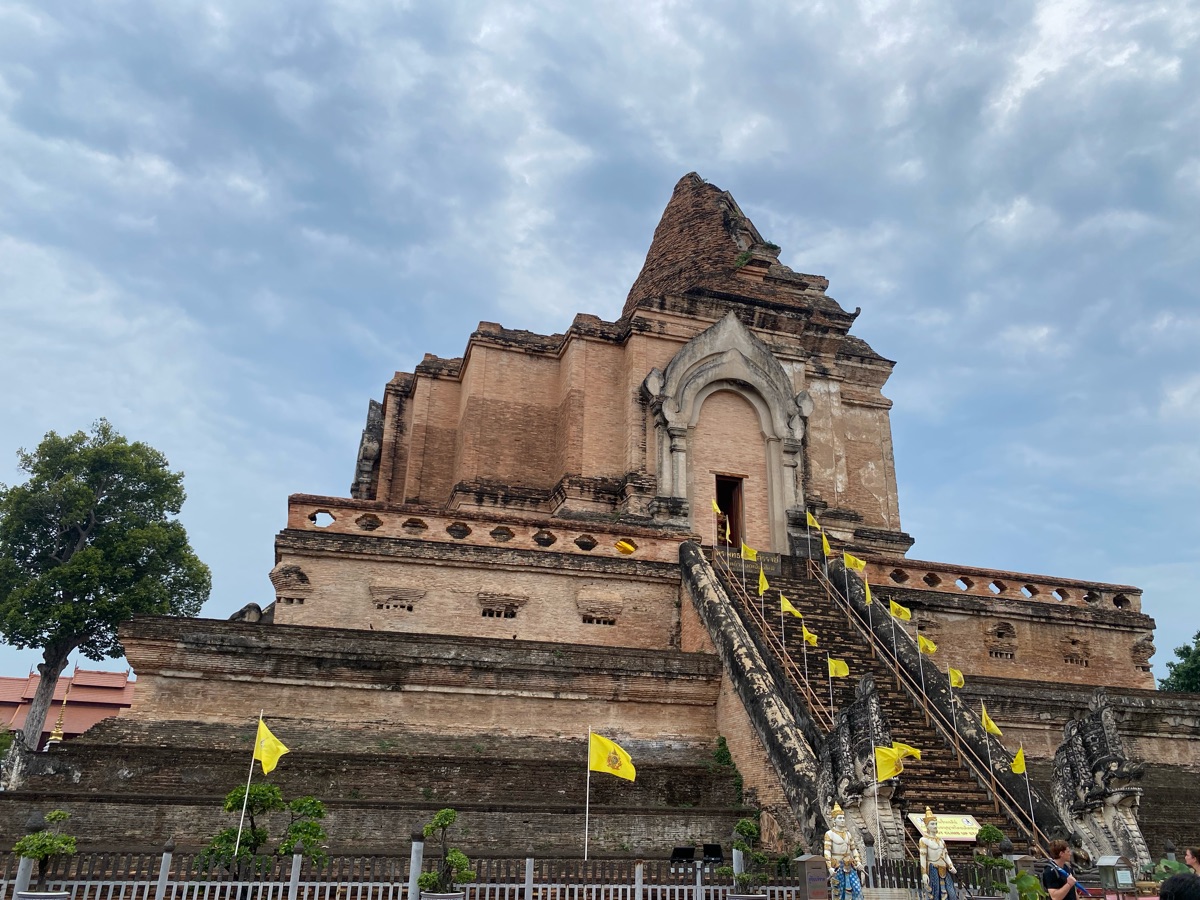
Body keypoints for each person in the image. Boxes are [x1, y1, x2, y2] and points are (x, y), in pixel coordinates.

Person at [823, 803, 865, 900]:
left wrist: (858, 862)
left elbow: (854, 850)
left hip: (849, 865)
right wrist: (829, 867)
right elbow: (827, 852)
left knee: (857, 889)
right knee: (839, 892)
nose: (842, 820)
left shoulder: (848, 834)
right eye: (840, 818)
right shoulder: (829, 834)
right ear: (834, 820)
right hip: (837, 866)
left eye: (843, 818)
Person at [918, 808, 958, 900]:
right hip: (933, 868)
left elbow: (946, 855)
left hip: (944, 869)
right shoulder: (924, 840)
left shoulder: (941, 840)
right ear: (927, 826)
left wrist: (951, 865)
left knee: (951, 893)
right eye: (932, 824)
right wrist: (924, 873)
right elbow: (922, 857)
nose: (935, 826)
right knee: (936, 893)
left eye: (936, 823)